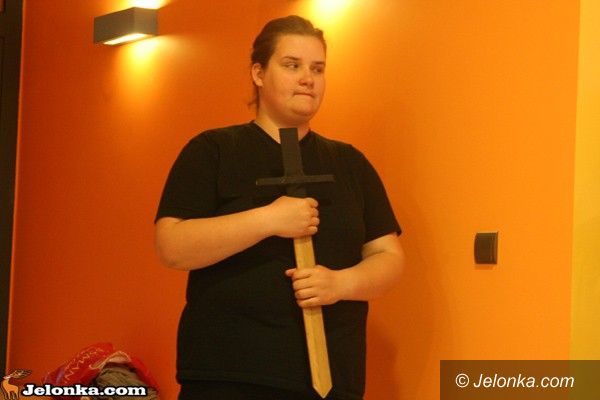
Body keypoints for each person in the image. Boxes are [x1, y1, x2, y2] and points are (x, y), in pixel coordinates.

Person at [154, 15, 405, 400]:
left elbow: (389, 257)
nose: (308, 79)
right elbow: (172, 246)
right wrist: (268, 219)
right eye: (292, 65)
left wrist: (340, 284)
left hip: (332, 377)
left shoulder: (350, 163)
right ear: (258, 73)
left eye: (317, 68)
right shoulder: (214, 151)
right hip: (230, 376)